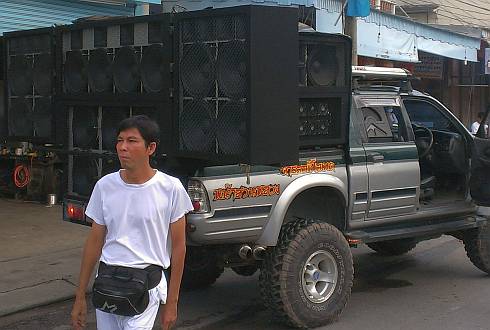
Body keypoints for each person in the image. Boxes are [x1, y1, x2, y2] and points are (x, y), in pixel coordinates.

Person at [71, 115, 194, 330]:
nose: (123, 147)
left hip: (146, 287)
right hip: (107, 283)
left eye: (132, 141)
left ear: (151, 148)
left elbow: (179, 248)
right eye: (120, 140)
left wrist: (172, 302)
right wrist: (80, 295)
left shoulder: (170, 188)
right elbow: (94, 242)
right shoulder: (105, 186)